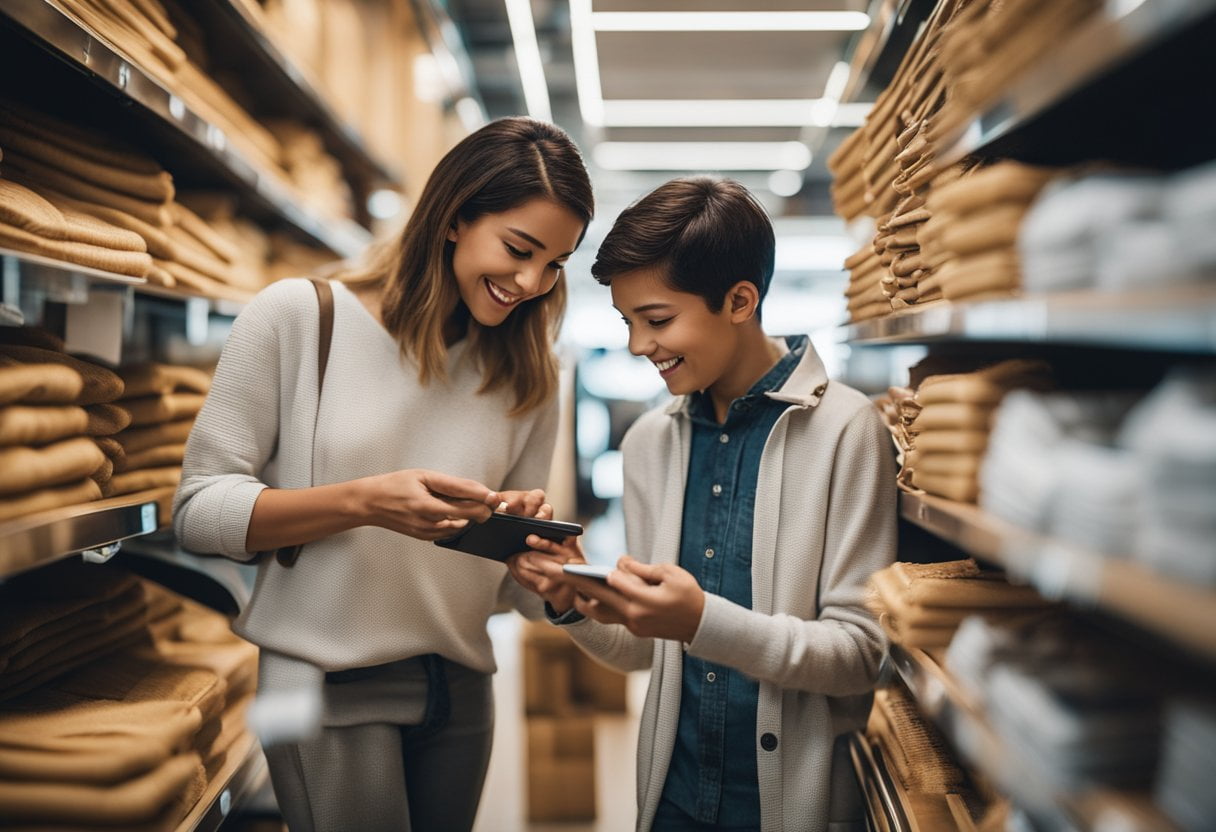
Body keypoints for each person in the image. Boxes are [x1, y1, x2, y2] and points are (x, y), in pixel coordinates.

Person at [174, 117, 593, 832]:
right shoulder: (299, 319)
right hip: (315, 683)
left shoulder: (530, 374)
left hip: (461, 690)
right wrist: (366, 501)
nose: (530, 282)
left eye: (555, 263)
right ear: (456, 216)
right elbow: (197, 512)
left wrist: (545, 568)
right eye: (519, 249)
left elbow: (509, 592)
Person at [508, 177, 896, 832]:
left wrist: (700, 620)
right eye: (629, 322)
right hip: (673, 802)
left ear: (740, 299)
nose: (637, 345)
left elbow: (862, 655)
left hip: (785, 811)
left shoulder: (847, 433)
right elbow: (644, 654)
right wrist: (573, 599)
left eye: (657, 320)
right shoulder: (649, 445)